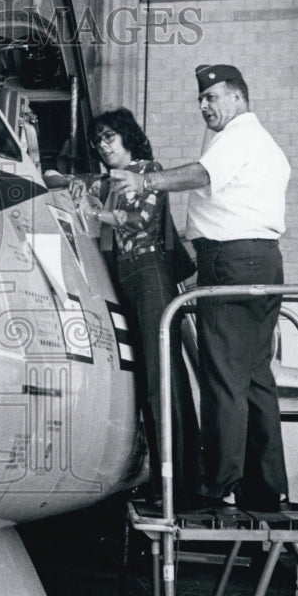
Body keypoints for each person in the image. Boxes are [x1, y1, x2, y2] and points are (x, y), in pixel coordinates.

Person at [114, 64, 290, 512]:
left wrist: (146, 180)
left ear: (237, 98)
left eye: (212, 97)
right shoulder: (261, 141)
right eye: (201, 99)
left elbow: (202, 175)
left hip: (232, 262)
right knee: (253, 377)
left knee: (223, 376)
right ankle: (265, 487)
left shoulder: (240, 137)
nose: (204, 106)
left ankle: (219, 483)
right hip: (261, 260)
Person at [70, 108, 203, 505]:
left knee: (164, 378)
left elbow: (137, 220)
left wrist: (95, 210)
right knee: (148, 381)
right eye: (99, 141)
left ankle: (183, 484)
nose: (103, 146)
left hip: (150, 274)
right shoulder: (109, 182)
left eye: (110, 137)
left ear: (128, 137)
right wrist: (77, 185)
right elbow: (71, 181)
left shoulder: (149, 171)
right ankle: (166, 482)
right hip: (128, 276)